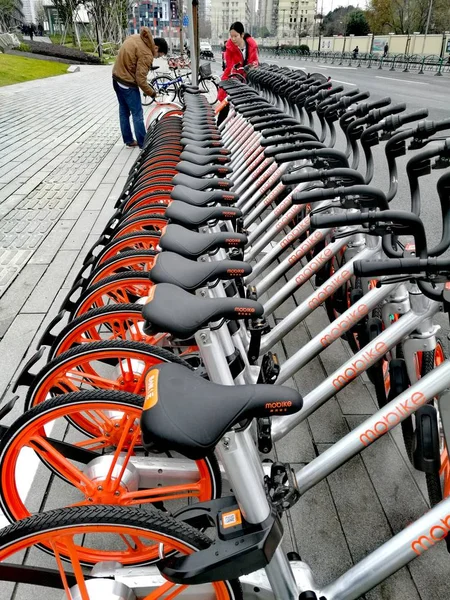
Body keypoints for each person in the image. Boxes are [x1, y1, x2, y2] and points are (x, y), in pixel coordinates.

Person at [112, 28, 168, 149]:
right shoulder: (147, 54)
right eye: (159, 55)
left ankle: (129, 140)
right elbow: (140, 80)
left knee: (124, 111)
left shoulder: (137, 37)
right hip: (127, 82)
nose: (156, 57)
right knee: (137, 113)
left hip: (116, 77)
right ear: (156, 48)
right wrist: (152, 93)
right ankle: (144, 143)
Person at [217, 21, 259, 125]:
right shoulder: (230, 47)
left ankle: (237, 132)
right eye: (231, 36)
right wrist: (236, 70)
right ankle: (219, 129)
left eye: (236, 36)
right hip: (232, 79)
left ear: (242, 35)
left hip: (246, 81)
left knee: (242, 110)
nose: (233, 39)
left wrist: (251, 66)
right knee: (225, 108)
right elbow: (230, 66)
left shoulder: (251, 46)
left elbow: (255, 61)